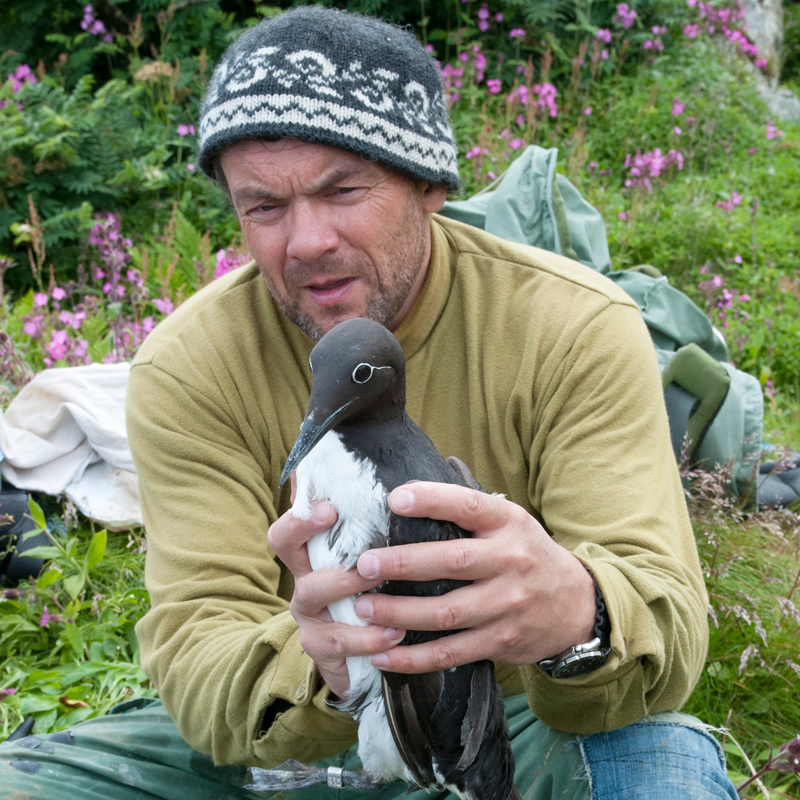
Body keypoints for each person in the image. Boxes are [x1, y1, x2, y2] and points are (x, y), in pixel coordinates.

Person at [0, 7, 739, 799]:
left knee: (662, 771)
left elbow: (664, 625)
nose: (307, 241)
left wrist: (578, 615)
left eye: (343, 189)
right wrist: (324, 663)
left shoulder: (573, 326)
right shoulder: (187, 368)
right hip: (290, 733)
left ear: (430, 185)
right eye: (264, 207)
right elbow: (198, 659)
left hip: (507, 720)